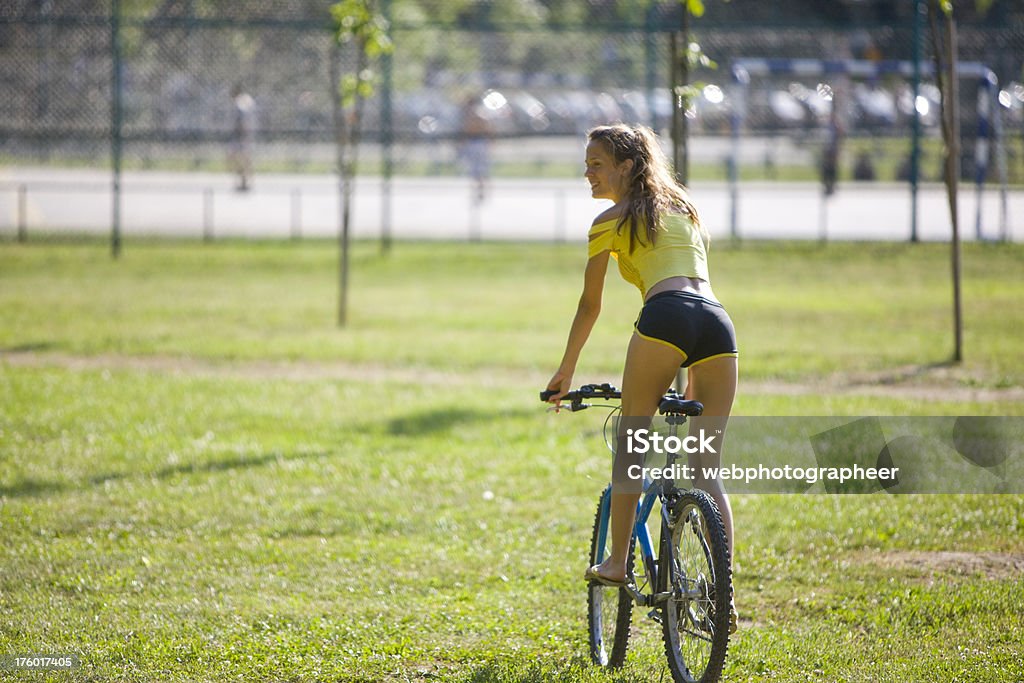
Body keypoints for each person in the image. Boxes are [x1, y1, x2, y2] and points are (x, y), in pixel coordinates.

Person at [545, 124, 738, 632]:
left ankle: (617, 561)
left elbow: (590, 305)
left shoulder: (609, 221)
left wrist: (566, 371)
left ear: (627, 167)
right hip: (717, 324)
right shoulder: (685, 209)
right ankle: (724, 595)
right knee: (706, 465)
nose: (587, 172)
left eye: (597, 164)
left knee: (632, 442)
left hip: (666, 316)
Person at [229, 84, 256, 191]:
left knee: (240, 157)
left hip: (242, 135)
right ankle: (244, 179)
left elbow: (244, 119)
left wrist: (245, 133)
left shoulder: (241, 101)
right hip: (245, 134)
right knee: (244, 158)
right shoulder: (247, 100)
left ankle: (244, 179)